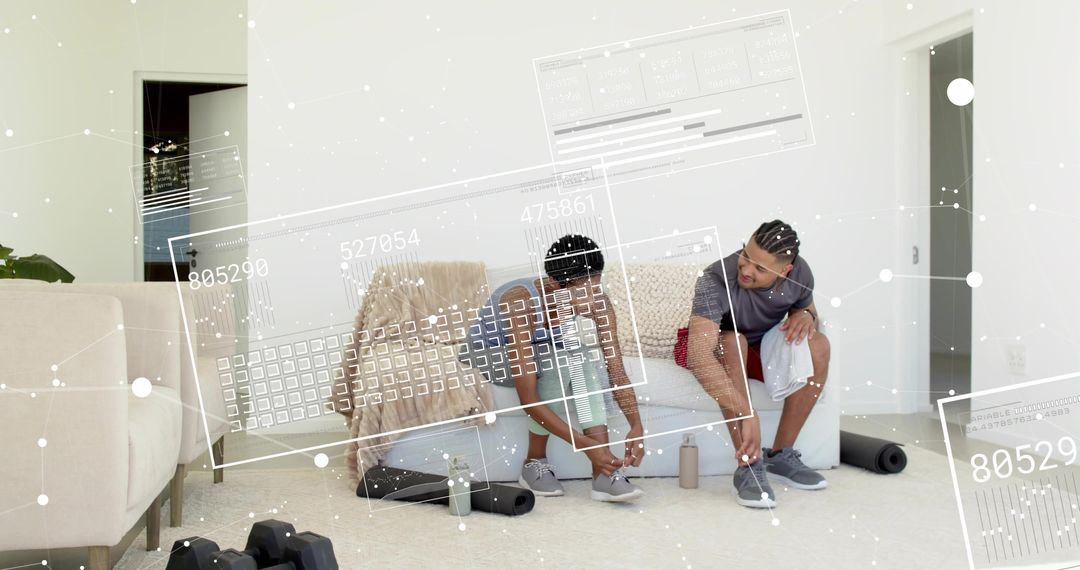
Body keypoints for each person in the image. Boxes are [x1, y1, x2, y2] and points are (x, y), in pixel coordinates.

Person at [460, 234, 645, 502]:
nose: (592, 300)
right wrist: (582, 445)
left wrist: (636, 425)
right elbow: (528, 400)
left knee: (579, 355)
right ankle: (533, 462)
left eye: (596, 288)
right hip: (488, 355)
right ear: (555, 283)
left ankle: (603, 472)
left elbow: (615, 367)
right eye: (582, 293)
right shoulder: (520, 303)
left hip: (545, 350)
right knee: (555, 359)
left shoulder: (599, 302)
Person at [685, 220, 830, 508]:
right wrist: (747, 412)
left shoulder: (799, 272)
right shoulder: (715, 279)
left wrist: (807, 317)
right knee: (732, 341)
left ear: (785, 270)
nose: (747, 270)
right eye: (746, 256)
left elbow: (808, 309)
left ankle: (780, 455)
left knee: (819, 344)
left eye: (760, 268)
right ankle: (748, 467)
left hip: (762, 348)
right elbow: (698, 356)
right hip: (720, 348)